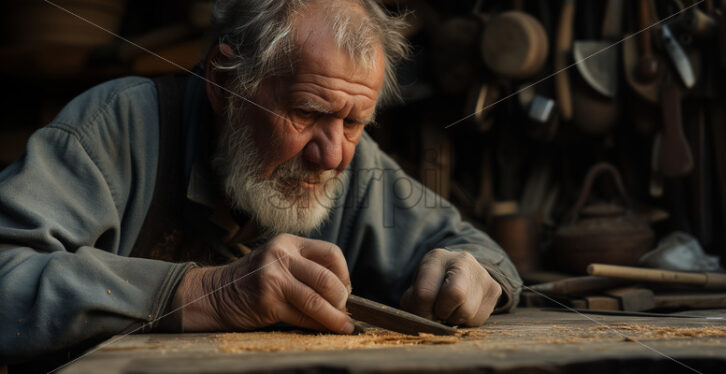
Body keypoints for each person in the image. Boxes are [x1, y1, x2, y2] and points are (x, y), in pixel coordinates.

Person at [0, 0, 521, 364]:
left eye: (355, 122)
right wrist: (205, 292)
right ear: (225, 86)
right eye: (306, 111)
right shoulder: (116, 127)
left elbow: (473, 250)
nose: (333, 154)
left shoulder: (351, 165)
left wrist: (476, 275)